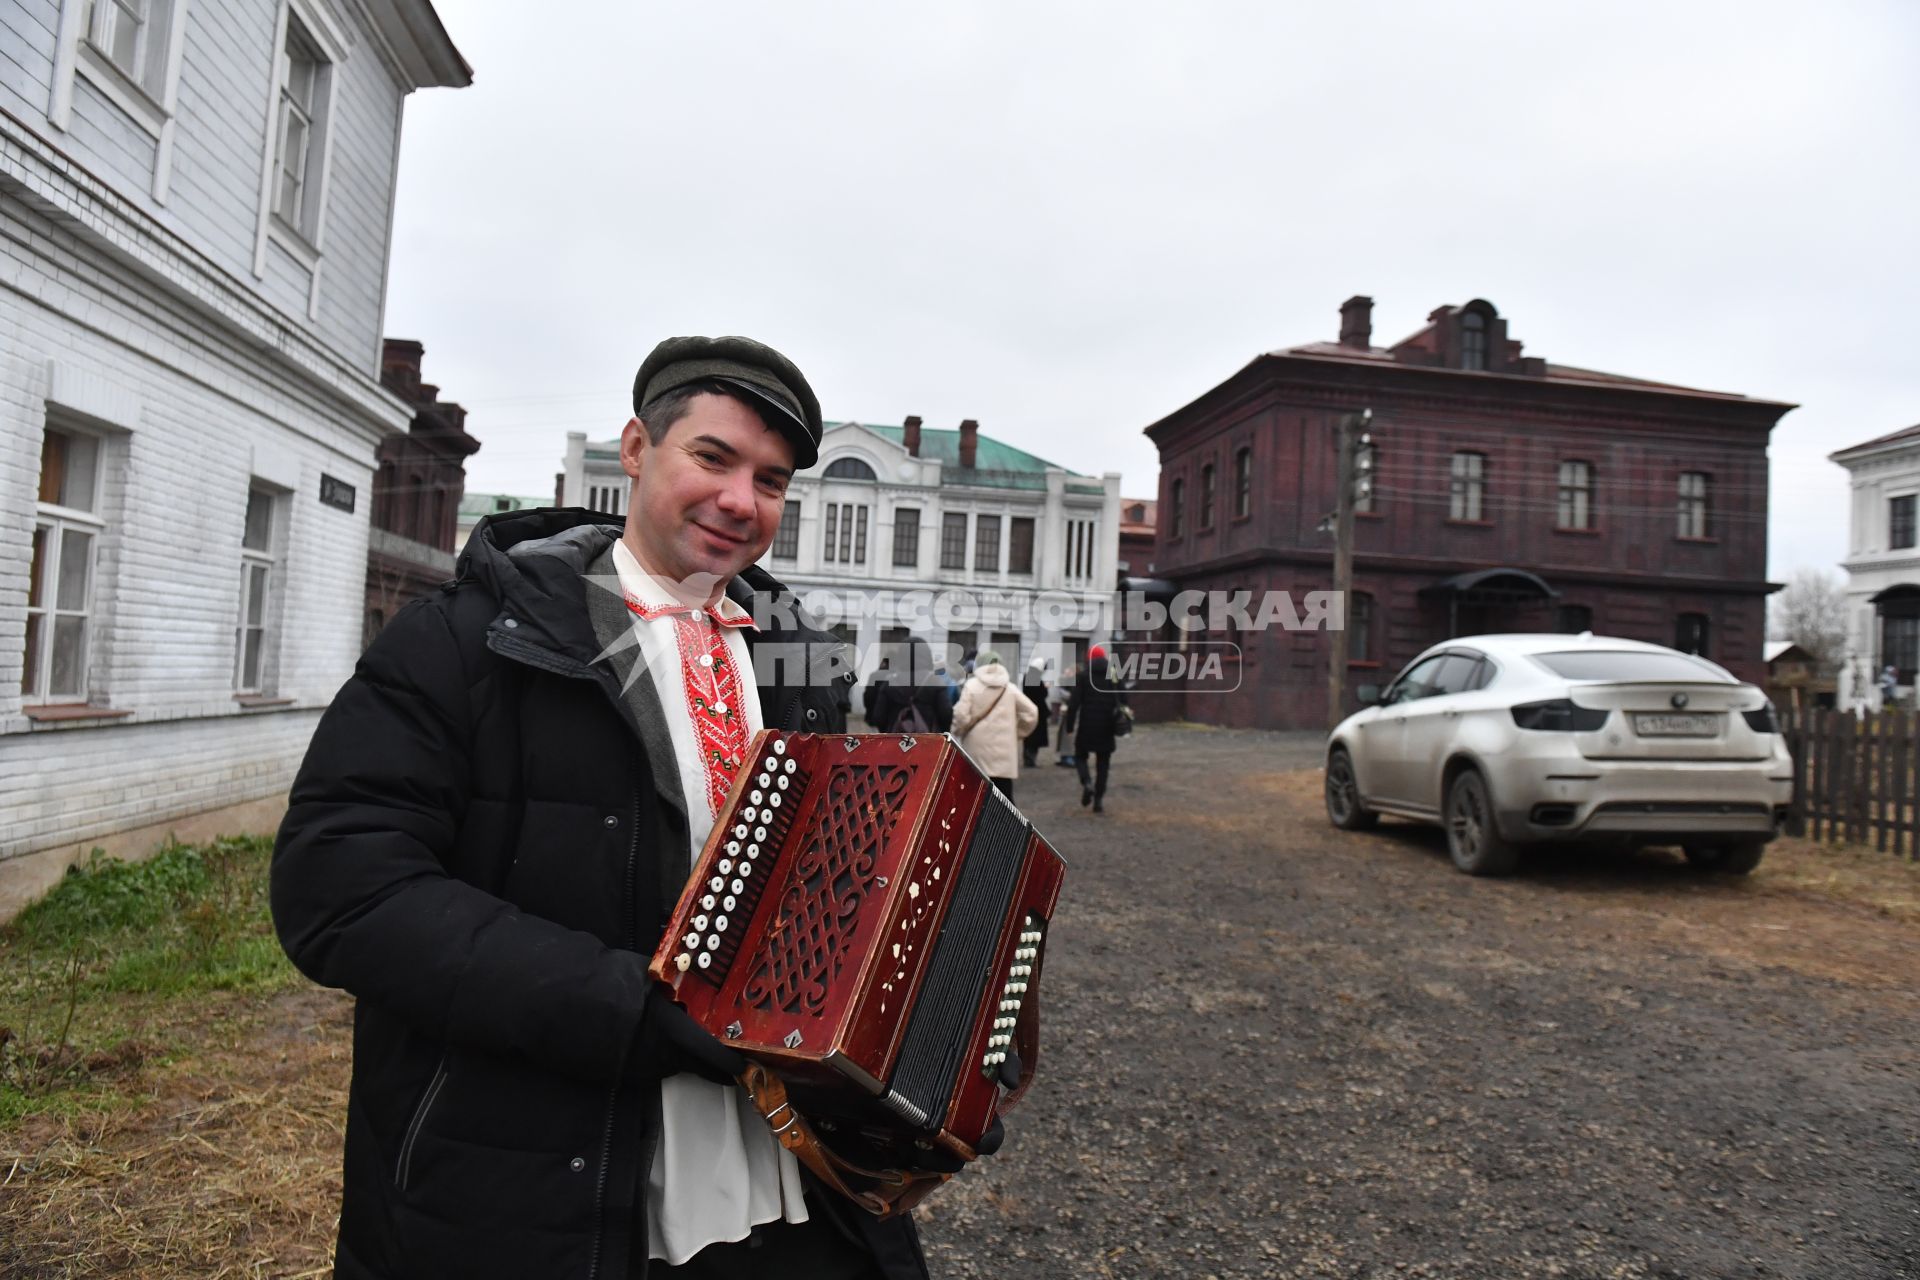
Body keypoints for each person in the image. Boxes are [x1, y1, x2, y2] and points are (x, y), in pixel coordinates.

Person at [271, 337, 932, 1280]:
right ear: (634, 449)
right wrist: (634, 1010)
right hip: (545, 1197)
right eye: (712, 457)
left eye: (773, 481)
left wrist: (914, 1059)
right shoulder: (466, 641)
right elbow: (339, 891)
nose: (742, 501)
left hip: (789, 1189)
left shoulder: (800, 668)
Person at [951, 651, 1039, 799]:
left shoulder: (972, 686)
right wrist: (1016, 733)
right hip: (1004, 754)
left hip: (976, 751)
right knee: (1005, 801)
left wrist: (958, 730)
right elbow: (1032, 713)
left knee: (973, 797)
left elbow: (960, 715)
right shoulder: (1010, 689)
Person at [1062, 645, 1128, 813]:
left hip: (1087, 724)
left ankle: (1087, 783)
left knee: (1080, 756)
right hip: (1107, 725)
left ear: (1089, 659)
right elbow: (1124, 698)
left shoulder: (1084, 676)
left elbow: (1074, 703)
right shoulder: (1113, 674)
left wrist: (1069, 726)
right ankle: (1098, 800)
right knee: (1103, 764)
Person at [862, 637, 953, 735]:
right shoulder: (935, 682)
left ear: (901, 656)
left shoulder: (889, 683)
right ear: (927, 656)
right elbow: (946, 715)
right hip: (929, 744)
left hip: (896, 743)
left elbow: (878, 717)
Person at [1019, 659, 1052, 768]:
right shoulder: (1036, 678)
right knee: (1035, 737)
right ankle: (1030, 759)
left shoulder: (1027, 676)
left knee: (1029, 735)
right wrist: (1045, 688)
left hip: (1029, 709)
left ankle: (1028, 758)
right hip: (1038, 711)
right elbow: (1042, 694)